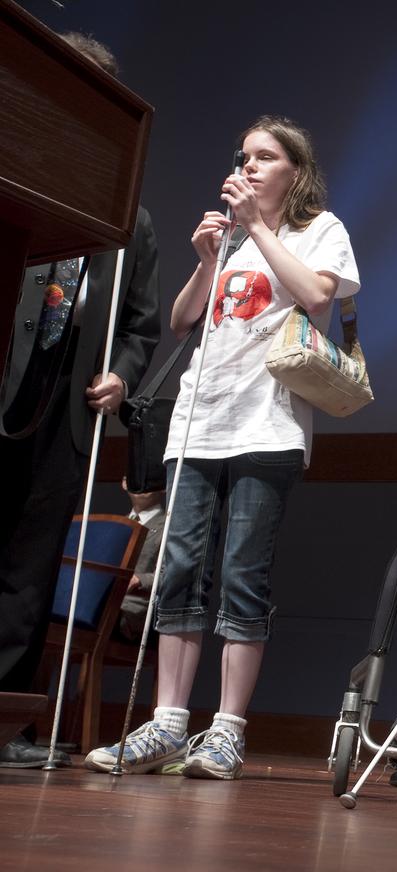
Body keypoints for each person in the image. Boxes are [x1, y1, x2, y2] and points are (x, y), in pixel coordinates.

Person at [84, 116, 360, 779]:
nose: (252, 165)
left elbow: (319, 294)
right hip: (198, 425)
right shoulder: (232, 237)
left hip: (267, 426)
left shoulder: (317, 230)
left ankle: (228, 728)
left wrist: (260, 229)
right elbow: (183, 319)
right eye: (246, 156)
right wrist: (209, 259)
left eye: (267, 157)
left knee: (242, 573)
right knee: (177, 571)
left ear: (296, 171)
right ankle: (169, 723)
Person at [0, 33, 161, 769]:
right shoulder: (11, 180)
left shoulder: (133, 219)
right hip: (7, 381)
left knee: (31, 568)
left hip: (66, 411)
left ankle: (6, 721)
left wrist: (123, 376)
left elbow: (141, 326)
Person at [116, 479, 165, 642]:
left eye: (150, 476)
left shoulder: (170, 526)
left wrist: (140, 580)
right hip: (102, 605)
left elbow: (174, 576)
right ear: (124, 483)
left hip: (135, 611)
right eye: (137, 475)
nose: (143, 481)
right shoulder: (115, 525)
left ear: (164, 486)